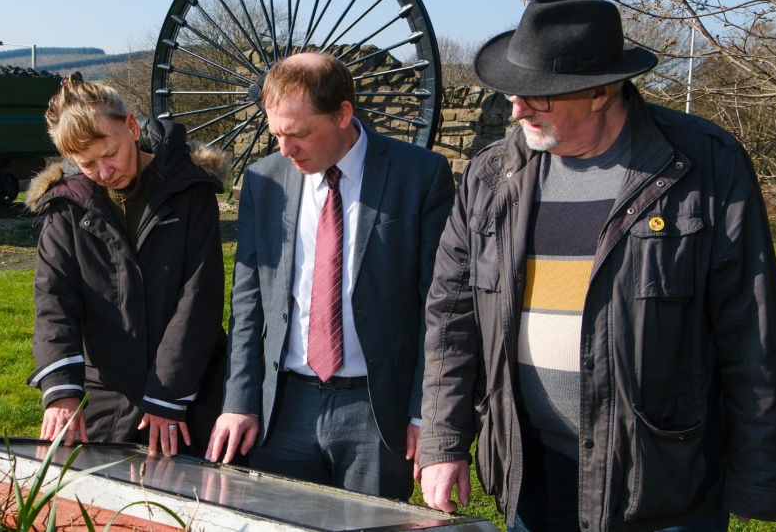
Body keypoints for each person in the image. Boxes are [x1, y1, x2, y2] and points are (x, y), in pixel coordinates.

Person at [418, 0, 776, 531]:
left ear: (601, 92)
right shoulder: (489, 176)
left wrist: (761, 480)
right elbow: (450, 321)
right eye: (513, 90)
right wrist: (444, 440)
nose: (517, 107)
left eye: (538, 94)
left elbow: (753, 333)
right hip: (532, 474)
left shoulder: (704, 168)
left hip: (660, 485)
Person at [205, 53, 455, 499]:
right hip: (283, 407)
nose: (285, 149)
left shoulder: (419, 175)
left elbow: (438, 310)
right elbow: (249, 303)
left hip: (376, 411)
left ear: (343, 114)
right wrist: (240, 400)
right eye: (276, 133)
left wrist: (424, 413)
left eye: (298, 134)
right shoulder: (265, 181)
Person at [26, 72, 228, 457]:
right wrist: (61, 389)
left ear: (132, 127)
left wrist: (168, 397)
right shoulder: (66, 207)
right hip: (108, 395)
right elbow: (54, 301)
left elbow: (198, 299)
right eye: (86, 164)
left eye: (110, 155)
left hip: (192, 390)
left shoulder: (190, 190)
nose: (104, 173)